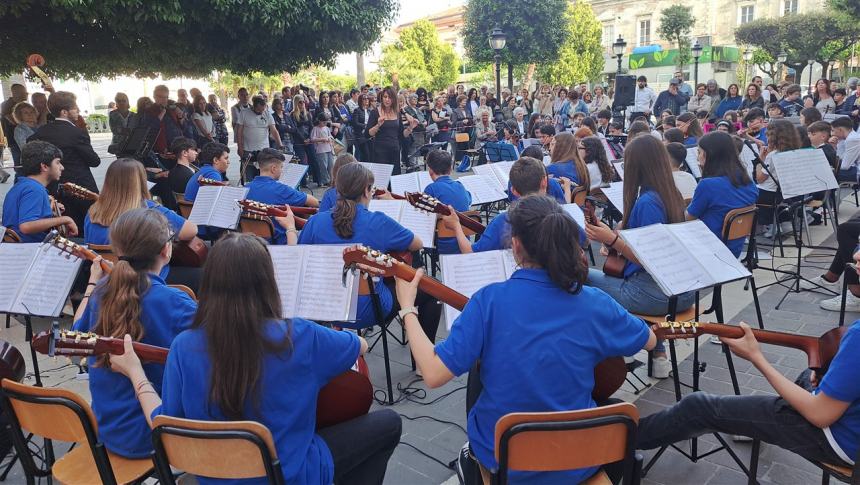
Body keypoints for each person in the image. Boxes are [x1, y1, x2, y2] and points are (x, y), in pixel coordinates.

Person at [394, 194, 656, 483]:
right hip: (579, 458)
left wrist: (408, 309)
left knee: (480, 368)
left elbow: (432, 373)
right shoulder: (595, 302)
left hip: (506, 459)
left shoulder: (488, 301)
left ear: (516, 247)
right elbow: (649, 342)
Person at [109, 232, 402, 484]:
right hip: (291, 476)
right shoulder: (299, 334)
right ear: (268, 281)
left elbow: (165, 423)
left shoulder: (184, 346)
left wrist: (136, 372)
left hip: (215, 477)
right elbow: (360, 346)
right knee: (388, 424)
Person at [637, 318, 860, 473]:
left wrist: (756, 357)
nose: (856, 254)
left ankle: (622, 437)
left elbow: (820, 415)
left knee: (698, 407)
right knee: (811, 372)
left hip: (839, 440)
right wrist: (831, 370)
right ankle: (756, 425)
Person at [72, 208, 196, 459]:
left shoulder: (103, 290)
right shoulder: (174, 302)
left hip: (109, 428)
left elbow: (77, 333)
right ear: (166, 250)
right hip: (155, 430)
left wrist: (92, 282)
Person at [584, 135, 693, 378]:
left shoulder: (648, 202)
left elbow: (651, 260)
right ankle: (657, 353)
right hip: (679, 290)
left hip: (656, 293)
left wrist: (611, 241)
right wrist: (614, 239)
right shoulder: (669, 192)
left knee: (580, 276)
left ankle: (617, 349)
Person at [298, 164, 440, 343]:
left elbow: (301, 261)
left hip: (326, 307)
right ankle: (423, 356)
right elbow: (417, 244)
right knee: (432, 289)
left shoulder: (315, 222)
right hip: (369, 310)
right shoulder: (378, 222)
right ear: (366, 191)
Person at [85, 158, 200, 290]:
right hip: (149, 280)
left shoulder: (92, 212)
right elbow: (191, 230)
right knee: (203, 276)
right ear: (140, 182)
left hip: (107, 280)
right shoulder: (148, 209)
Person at [444, 156, 571, 253]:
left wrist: (456, 226)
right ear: (544, 182)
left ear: (514, 191)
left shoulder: (504, 220)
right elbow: (583, 241)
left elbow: (472, 253)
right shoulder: (561, 213)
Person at [28, 91, 101, 233]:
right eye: (75, 108)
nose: (78, 110)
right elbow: (94, 161)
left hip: (52, 189)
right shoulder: (76, 133)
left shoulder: (40, 133)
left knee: (62, 230)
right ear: (64, 112)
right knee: (86, 228)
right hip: (80, 191)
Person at [686, 132, 758, 256]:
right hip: (735, 247)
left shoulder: (708, 185)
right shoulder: (748, 182)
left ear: (709, 155)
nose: (698, 157)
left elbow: (689, 218)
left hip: (711, 248)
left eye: (699, 152)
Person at [2, 140, 77, 241]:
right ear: (44, 166)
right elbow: (26, 226)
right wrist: (64, 219)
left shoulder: (21, 186)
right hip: (31, 249)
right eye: (58, 162)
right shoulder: (34, 190)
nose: (62, 167)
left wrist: (49, 211)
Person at [245, 148, 319, 245]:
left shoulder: (245, 188)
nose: (282, 171)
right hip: (281, 242)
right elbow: (315, 202)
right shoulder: (281, 190)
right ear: (273, 168)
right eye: (281, 167)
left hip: (252, 243)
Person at [756, 119, 802, 236]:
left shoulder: (773, 155)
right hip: (786, 192)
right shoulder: (796, 152)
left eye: (768, 134)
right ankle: (781, 223)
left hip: (768, 194)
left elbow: (760, 179)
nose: (766, 137)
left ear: (774, 137)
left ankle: (765, 225)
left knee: (747, 191)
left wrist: (759, 160)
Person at [423, 150, 472, 254]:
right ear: (450, 170)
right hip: (463, 240)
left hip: (441, 245)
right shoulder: (460, 185)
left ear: (430, 171)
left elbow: (424, 217)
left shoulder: (431, 189)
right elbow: (469, 199)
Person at [367, 87, 417, 177]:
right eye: (385, 97)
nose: (387, 100)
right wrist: (378, 125)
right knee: (381, 180)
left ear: (394, 99)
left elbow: (402, 134)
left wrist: (410, 127)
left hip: (394, 150)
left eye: (390, 97)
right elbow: (368, 133)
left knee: (394, 179)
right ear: (382, 97)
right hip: (380, 152)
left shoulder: (397, 113)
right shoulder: (375, 112)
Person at [236, 95, 283, 183]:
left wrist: (280, 144)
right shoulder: (244, 113)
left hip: (264, 150)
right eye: (259, 110)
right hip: (248, 149)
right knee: (248, 176)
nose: (261, 112)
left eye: (263, 109)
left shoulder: (267, 113)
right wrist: (240, 147)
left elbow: (274, 130)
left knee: (263, 175)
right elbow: (239, 132)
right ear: (255, 106)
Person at [1, 83, 29, 169]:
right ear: (16, 93)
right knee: (20, 164)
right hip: (15, 140)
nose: (27, 94)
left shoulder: (21, 104)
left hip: (21, 137)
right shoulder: (8, 105)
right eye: (24, 92)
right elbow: (13, 121)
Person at [832, 116, 860, 183]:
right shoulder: (852, 137)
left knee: (829, 175)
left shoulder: (852, 139)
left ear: (840, 130)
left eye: (833, 130)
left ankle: (830, 193)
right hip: (856, 169)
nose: (832, 134)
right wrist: (835, 145)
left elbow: (845, 166)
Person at [310, 113, 335, 187]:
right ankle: (325, 180)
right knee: (323, 165)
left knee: (331, 165)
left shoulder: (326, 128)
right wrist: (323, 139)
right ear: (319, 121)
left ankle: (331, 180)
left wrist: (330, 138)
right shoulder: (315, 128)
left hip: (329, 148)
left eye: (326, 122)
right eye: (323, 122)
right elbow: (313, 139)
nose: (324, 123)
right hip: (321, 150)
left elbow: (330, 135)